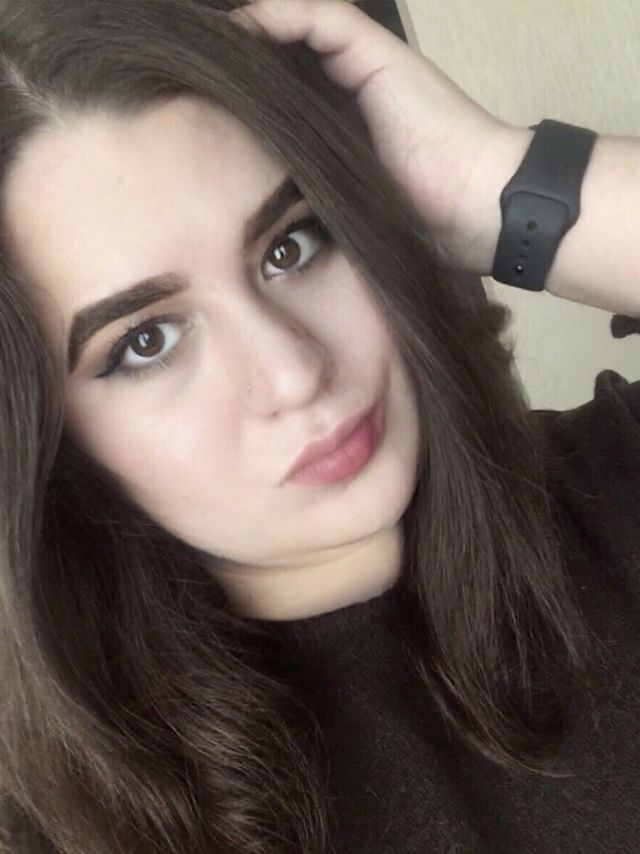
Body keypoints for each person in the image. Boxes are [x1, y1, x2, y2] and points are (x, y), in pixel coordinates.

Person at [0, 0, 637, 852]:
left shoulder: (612, 489)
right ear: (55, 446)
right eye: (146, 343)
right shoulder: (65, 829)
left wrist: (499, 185)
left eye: (291, 246)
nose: (295, 372)